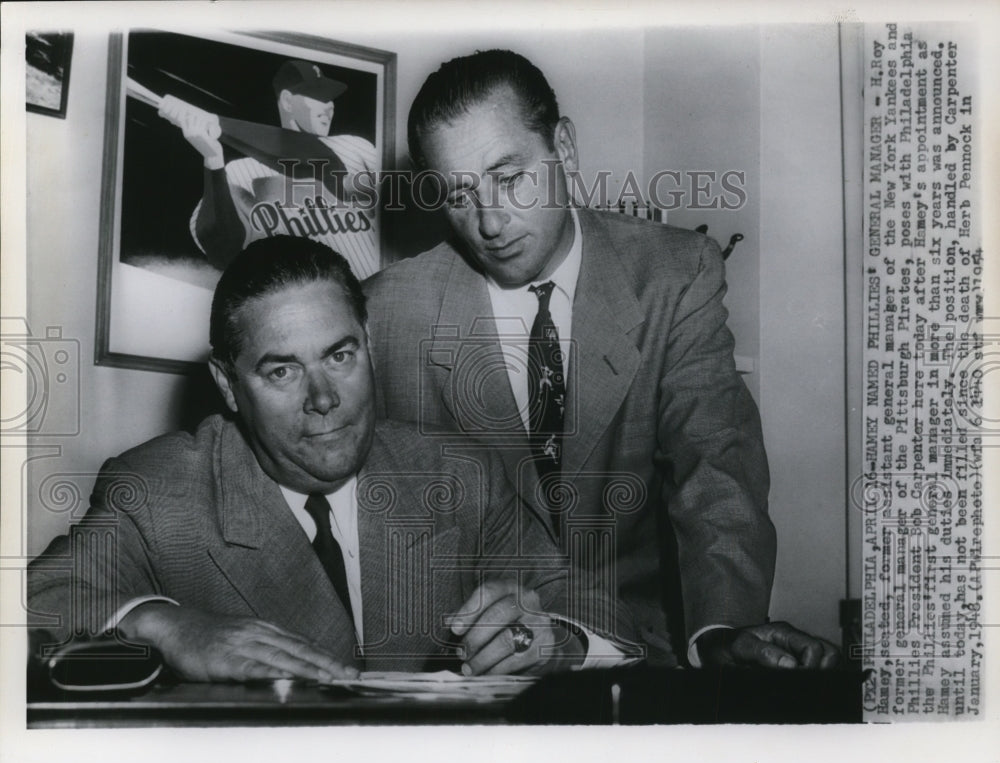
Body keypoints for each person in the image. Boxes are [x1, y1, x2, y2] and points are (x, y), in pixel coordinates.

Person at [364, 49, 839, 670]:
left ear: (563, 146)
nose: (489, 221)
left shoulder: (675, 273)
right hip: (473, 662)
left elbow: (716, 464)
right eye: (459, 195)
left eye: (510, 177)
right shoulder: (387, 311)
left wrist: (721, 631)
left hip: (647, 652)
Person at [27, 237, 634, 683]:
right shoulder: (159, 491)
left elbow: (604, 614)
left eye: (339, 356)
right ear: (229, 385)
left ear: (369, 346)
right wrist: (164, 625)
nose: (323, 399)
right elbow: (32, 601)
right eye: (282, 370)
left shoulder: (459, 475)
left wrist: (559, 641)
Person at [157, 59, 379, 279]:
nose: (329, 105)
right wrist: (213, 161)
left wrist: (218, 124)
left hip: (380, 295)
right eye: (318, 96)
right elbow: (222, 251)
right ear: (287, 101)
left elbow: (318, 159)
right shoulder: (240, 171)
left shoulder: (355, 148)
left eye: (330, 98)